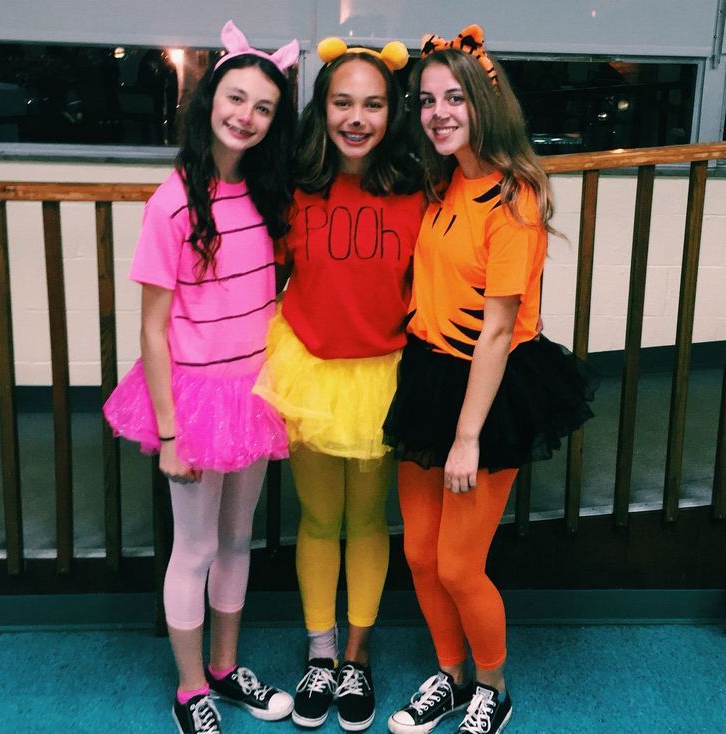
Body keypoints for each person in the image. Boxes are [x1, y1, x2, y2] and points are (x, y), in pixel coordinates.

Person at [383, 25, 598, 734]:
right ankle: (448, 674)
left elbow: (500, 328)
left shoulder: (513, 198)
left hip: (490, 388)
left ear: (484, 103)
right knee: (416, 551)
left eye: (454, 97)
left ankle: (492, 687)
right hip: (429, 375)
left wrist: (467, 438)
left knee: (456, 565)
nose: (438, 111)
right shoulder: (443, 182)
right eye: (426, 99)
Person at [103, 21, 299, 734]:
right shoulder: (172, 201)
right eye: (235, 97)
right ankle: (192, 691)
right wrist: (169, 434)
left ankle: (223, 665)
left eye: (263, 107)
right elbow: (153, 329)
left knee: (238, 539)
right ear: (210, 96)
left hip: (253, 393)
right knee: (196, 546)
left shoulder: (269, 192)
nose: (244, 115)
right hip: (191, 401)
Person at [253, 36, 424, 732]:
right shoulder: (294, 187)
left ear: (392, 113)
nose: (356, 117)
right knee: (319, 519)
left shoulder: (417, 189)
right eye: (342, 102)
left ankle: (356, 655)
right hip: (309, 370)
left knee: (366, 518)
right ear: (321, 109)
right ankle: (319, 651)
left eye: (372, 104)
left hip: (382, 373)